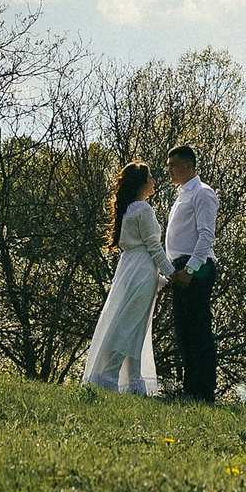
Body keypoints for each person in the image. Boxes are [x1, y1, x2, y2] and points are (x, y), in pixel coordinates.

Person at [81, 161, 167, 395]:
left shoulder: (129, 210)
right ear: (142, 183)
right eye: (150, 177)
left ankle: (133, 381)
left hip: (131, 269)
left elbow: (141, 247)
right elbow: (153, 246)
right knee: (131, 327)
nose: (154, 181)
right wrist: (172, 273)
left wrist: (160, 279)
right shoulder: (143, 210)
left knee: (133, 325)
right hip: (141, 270)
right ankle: (110, 377)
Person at [161, 144, 219, 402]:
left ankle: (204, 391)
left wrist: (190, 269)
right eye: (168, 166)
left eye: (173, 165)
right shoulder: (182, 195)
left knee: (198, 330)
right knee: (184, 332)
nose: (169, 170)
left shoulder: (202, 193)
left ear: (188, 165)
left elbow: (206, 235)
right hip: (180, 267)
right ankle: (190, 389)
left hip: (197, 267)